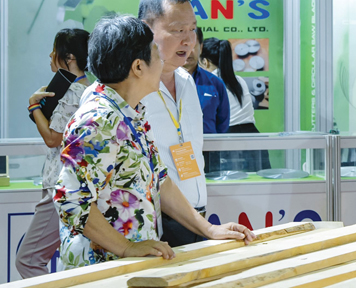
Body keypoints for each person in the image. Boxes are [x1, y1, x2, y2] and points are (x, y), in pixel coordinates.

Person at [54, 15, 252, 270]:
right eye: (156, 55)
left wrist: (209, 229)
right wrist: (125, 248)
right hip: (101, 271)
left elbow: (161, 181)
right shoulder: (98, 119)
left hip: (133, 265)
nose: (162, 62)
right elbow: (71, 200)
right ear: (138, 67)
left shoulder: (133, 113)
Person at [137, 0, 209, 247]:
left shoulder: (187, 82)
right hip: (155, 224)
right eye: (178, 30)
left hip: (196, 216)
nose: (188, 40)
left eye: (192, 29)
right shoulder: (132, 89)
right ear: (147, 30)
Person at [15, 28, 89, 278]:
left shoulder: (74, 93)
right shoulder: (86, 89)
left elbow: (53, 138)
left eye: (54, 50)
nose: (50, 55)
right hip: (70, 184)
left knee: (28, 260)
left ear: (69, 57)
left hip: (60, 187)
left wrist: (34, 106)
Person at [202, 37, 268, 173]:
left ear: (205, 62)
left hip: (225, 142)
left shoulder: (208, 84)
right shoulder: (239, 80)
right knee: (256, 187)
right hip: (253, 138)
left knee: (225, 189)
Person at [187, 26, 229, 134]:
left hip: (209, 147)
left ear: (200, 47)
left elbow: (223, 123)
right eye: (182, 46)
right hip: (173, 148)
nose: (187, 51)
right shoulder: (162, 82)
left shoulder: (216, 83)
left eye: (192, 46)